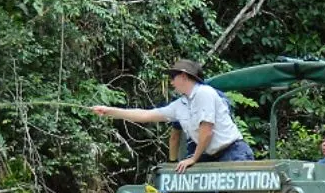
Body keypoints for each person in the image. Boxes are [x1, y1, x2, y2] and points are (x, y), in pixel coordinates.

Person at [91, 59, 253, 172]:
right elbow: (146, 115)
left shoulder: (205, 93)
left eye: (173, 78)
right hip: (210, 156)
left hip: (233, 153)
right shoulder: (180, 105)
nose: (171, 82)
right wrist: (110, 111)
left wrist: (193, 158)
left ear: (183, 76)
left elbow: (206, 131)